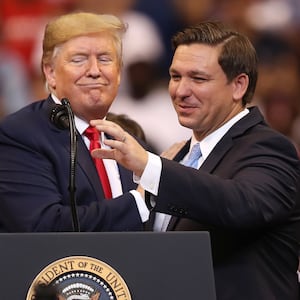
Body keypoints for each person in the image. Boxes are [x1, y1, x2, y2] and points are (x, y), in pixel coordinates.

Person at [90, 21, 300, 299]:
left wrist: (150, 167)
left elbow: (239, 205)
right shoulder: (178, 157)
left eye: (198, 79)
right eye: (175, 76)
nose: (181, 91)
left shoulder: (270, 148)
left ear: (238, 85)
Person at [0, 12, 149, 232]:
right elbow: (44, 226)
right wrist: (138, 202)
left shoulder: (130, 140)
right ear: (50, 73)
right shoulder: (19, 134)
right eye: (79, 60)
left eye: (105, 59)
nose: (95, 71)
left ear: (118, 74)